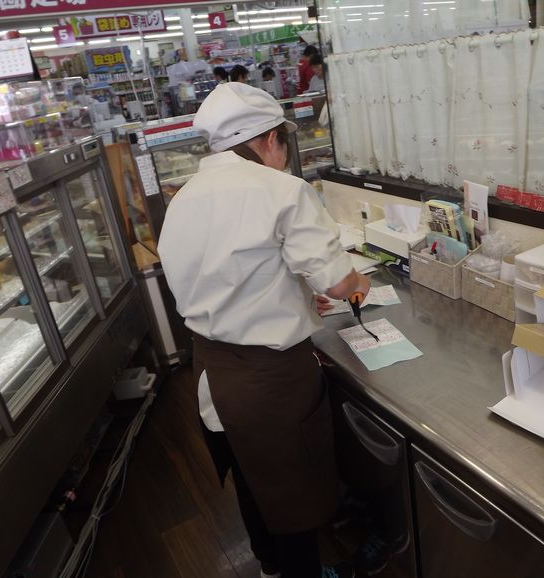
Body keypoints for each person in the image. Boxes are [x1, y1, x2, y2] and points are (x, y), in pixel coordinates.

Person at [157, 83, 369, 578]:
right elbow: (339, 283)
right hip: (271, 379)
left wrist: (290, 293)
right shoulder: (282, 190)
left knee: (252, 478)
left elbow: (229, 273)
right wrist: (355, 281)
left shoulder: (183, 198)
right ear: (271, 139)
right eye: (284, 145)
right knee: (290, 492)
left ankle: (270, 565)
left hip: (213, 370)